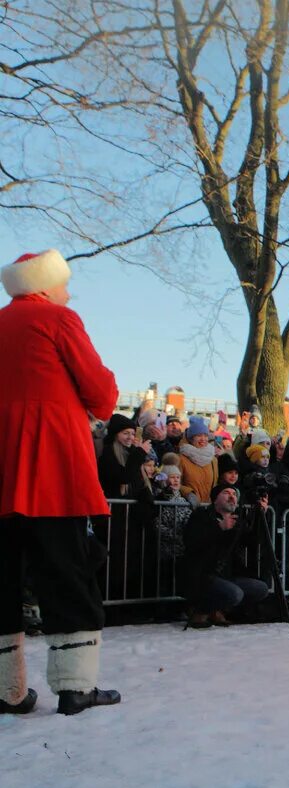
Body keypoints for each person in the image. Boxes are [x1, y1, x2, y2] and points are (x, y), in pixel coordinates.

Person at [0, 248, 121, 716]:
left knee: (3, 577)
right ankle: (75, 687)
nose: (69, 292)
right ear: (46, 287)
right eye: (64, 284)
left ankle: (7, 690)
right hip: (51, 468)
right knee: (67, 575)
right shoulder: (59, 319)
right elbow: (102, 395)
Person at [179, 487, 271, 628]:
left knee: (261, 588)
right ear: (215, 499)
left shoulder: (236, 519)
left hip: (227, 574)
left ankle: (218, 609)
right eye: (226, 493)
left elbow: (252, 542)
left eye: (234, 494)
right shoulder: (201, 516)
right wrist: (219, 528)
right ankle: (201, 610)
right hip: (202, 574)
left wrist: (260, 515)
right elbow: (193, 543)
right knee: (235, 594)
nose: (232, 497)